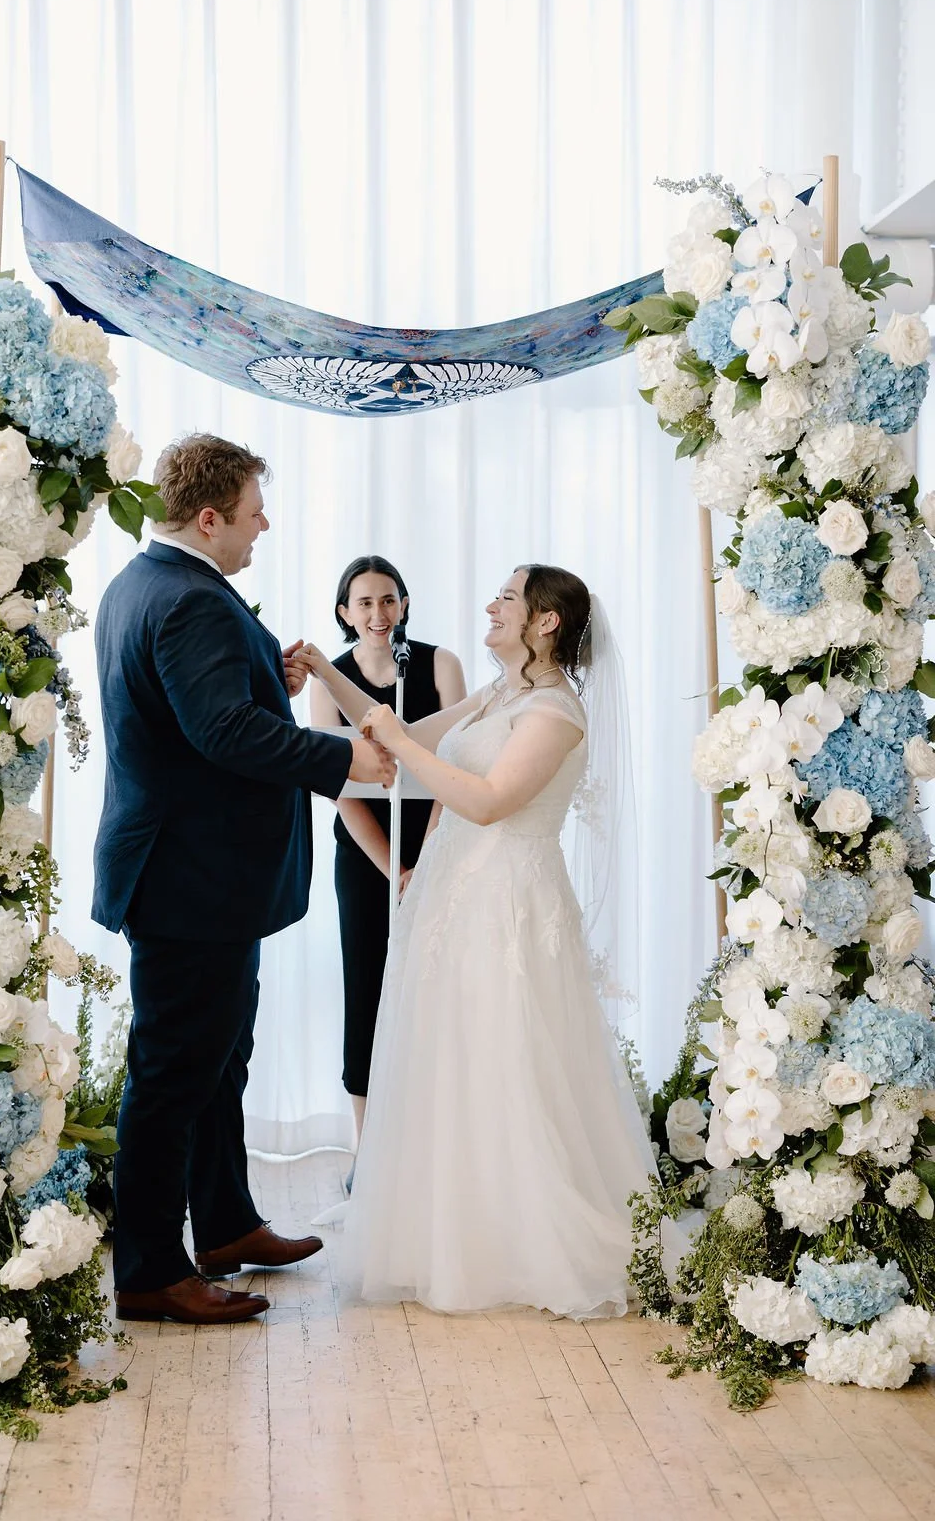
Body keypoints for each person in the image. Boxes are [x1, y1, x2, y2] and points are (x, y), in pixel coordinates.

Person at [91, 433, 395, 1325]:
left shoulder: (148, 584)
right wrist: (346, 759)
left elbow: (206, 709)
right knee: (174, 1071)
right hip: (192, 880)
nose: (265, 526)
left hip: (199, 877)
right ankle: (149, 1269)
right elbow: (224, 733)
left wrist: (276, 668)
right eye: (255, 511)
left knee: (220, 1059)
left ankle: (224, 1225)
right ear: (213, 516)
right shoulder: (188, 601)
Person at [298, 565, 657, 1317]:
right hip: (453, 900)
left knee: (507, 1058)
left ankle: (522, 1238)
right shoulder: (500, 695)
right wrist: (326, 670)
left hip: (509, 904)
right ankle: (448, 1231)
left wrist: (399, 737)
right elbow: (395, 733)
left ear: (545, 622)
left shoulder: (555, 711)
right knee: (452, 1055)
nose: (489, 605)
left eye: (506, 595)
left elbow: (490, 803)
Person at [310, 556, 466, 1149]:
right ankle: (368, 1147)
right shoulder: (331, 680)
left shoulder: (439, 665)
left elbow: (458, 764)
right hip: (365, 857)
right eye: (366, 603)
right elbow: (336, 787)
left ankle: (435, 1140)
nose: (379, 613)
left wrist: (425, 864)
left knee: (440, 984)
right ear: (345, 613)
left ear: (403, 605)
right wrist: (393, 871)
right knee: (368, 985)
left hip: (441, 844)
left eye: (389, 600)